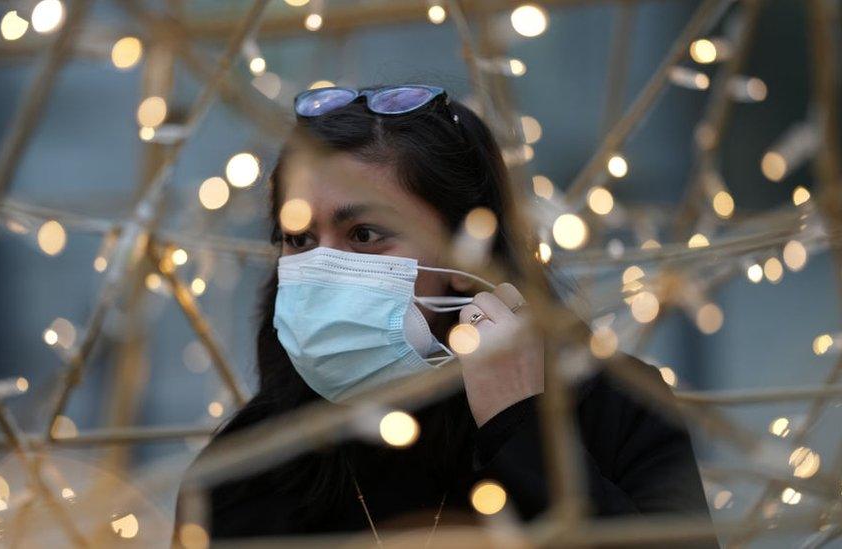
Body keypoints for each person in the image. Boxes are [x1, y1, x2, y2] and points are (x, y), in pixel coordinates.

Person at [174, 84, 715, 546]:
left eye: (364, 234)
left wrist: (520, 431)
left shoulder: (615, 408)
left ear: (466, 252)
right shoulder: (244, 469)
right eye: (299, 239)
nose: (323, 267)